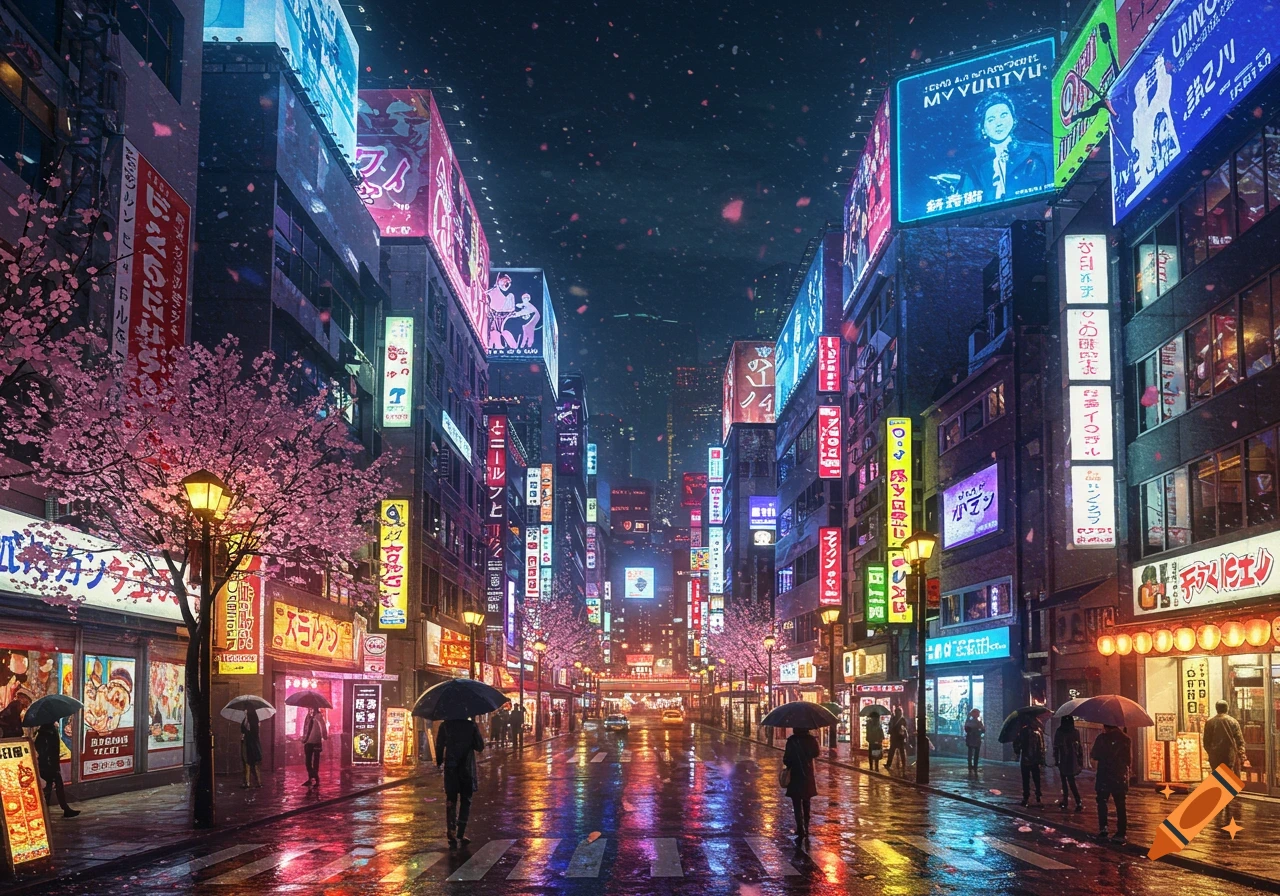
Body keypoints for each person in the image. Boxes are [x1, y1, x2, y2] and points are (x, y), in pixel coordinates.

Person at [959, 91, 1051, 203]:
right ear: (983, 128)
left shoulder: (1039, 153)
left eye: (1003, 115)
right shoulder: (973, 167)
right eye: (991, 119)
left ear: (1014, 119)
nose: (999, 123)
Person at [436, 715, 485, 848]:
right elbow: (480, 746)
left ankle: (451, 831)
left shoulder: (445, 726)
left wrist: (439, 761)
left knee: (451, 800)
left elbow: (439, 746)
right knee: (466, 800)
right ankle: (461, 832)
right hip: (467, 768)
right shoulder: (471, 726)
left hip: (451, 767)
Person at [1091, 723, 1132, 844]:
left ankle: (1103, 828)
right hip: (1119, 775)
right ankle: (1121, 832)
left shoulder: (1101, 738)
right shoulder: (1126, 739)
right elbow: (1128, 760)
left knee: (1102, 802)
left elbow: (1095, 755)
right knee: (1120, 804)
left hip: (1104, 774)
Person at [782, 726, 820, 842]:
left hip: (795, 774)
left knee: (796, 803)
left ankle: (800, 828)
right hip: (807, 773)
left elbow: (786, 759)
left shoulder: (792, 741)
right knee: (807, 801)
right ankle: (806, 827)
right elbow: (816, 753)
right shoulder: (811, 740)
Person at [33, 722, 78, 818]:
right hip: (49, 765)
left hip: (49, 764)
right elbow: (44, 751)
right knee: (54, 786)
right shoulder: (47, 733)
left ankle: (48, 810)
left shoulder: (46, 732)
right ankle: (61, 809)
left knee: (51, 787)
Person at [1202, 700, 1246, 776]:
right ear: (1227, 709)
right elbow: (1240, 740)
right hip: (1229, 754)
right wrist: (1241, 754)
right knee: (1228, 775)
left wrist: (1211, 751)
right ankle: (1226, 788)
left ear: (1216, 709)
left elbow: (1206, 742)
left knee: (1217, 776)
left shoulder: (1209, 722)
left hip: (1215, 754)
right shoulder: (1233, 721)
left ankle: (1219, 788)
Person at [1053, 715, 1084, 811]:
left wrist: (1056, 759)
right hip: (1072, 759)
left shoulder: (1059, 732)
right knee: (1071, 781)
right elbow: (1079, 748)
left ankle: (1067, 800)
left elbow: (1056, 747)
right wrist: (1080, 761)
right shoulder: (1075, 732)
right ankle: (1077, 801)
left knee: (1065, 781)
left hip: (1063, 758)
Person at [1014, 716, 1046, 807]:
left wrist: (1017, 749)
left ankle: (1027, 796)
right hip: (1034, 759)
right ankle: (1037, 795)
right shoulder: (1038, 731)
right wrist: (1042, 759)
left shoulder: (1024, 731)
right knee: (1036, 779)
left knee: (1026, 779)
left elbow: (1018, 744)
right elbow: (1041, 747)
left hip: (1026, 759)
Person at [302, 707, 327, 787]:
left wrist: (325, 736)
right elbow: (306, 729)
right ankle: (311, 778)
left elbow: (323, 727)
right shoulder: (308, 716)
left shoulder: (319, 717)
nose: (310, 709)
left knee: (315, 761)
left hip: (316, 742)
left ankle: (316, 779)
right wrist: (304, 738)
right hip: (308, 742)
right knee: (308, 762)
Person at [241, 710, 263, 788]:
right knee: (246, 761)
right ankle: (247, 782)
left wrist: (246, 731)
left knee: (253, 762)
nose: (244, 710)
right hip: (246, 742)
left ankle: (257, 782)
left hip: (252, 744)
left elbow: (254, 732)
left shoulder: (253, 720)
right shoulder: (245, 719)